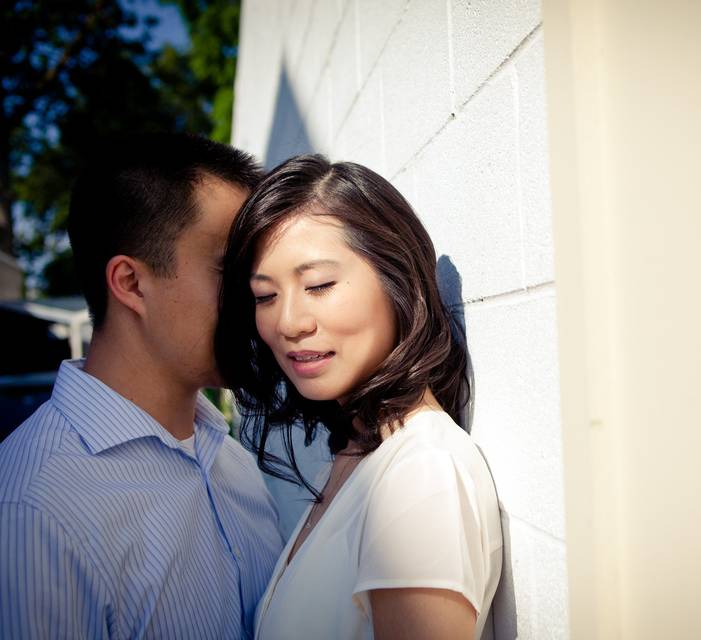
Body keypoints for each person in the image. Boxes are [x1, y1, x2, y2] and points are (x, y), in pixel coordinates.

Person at [0, 133, 284, 639]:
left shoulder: (233, 460)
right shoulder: (32, 509)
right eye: (229, 269)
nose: (259, 294)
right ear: (131, 284)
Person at [216, 154, 503, 639]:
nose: (289, 322)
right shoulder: (359, 455)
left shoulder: (420, 472)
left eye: (318, 285)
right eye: (266, 296)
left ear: (398, 280)